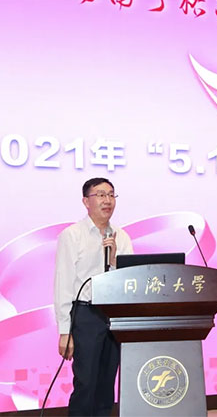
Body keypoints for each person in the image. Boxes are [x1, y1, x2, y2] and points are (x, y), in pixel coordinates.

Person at [54, 177, 133, 416]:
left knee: (107, 384)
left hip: (114, 316)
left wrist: (114, 259)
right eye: (100, 195)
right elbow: (64, 284)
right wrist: (65, 331)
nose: (107, 200)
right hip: (85, 315)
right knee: (86, 382)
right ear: (86, 202)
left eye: (110, 195)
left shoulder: (122, 236)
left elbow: (131, 280)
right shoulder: (72, 235)